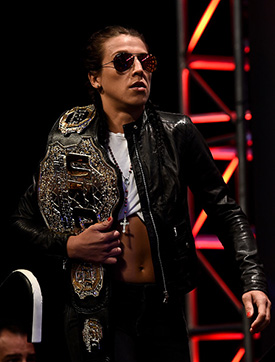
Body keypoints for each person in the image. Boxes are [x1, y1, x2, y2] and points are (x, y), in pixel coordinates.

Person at [12, 25, 271, 362]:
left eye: (145, 61)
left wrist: (252, 280)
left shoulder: (176, 132)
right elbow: (21, 222)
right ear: (95, 78)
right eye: (122, 61)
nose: (138, 69)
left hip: (163, 306)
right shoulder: (69, 141)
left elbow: (224, 210)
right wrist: (69, 245)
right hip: (99, 310)